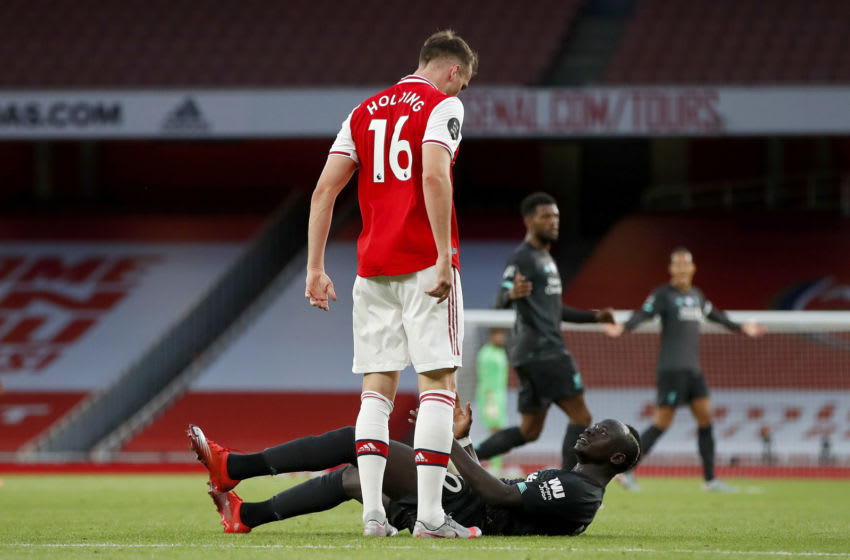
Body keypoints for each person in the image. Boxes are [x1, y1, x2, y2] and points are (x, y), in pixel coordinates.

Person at [303, 30, 478, 538]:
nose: (460, 92)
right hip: (425, 265)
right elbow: (434, 175)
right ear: (451, 71)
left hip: (371, 270)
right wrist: (445, 256)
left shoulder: (363, 111)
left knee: (375, 393)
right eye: (462, 83)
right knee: (439, 385)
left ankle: (373, 517)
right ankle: (428, 517)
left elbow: (323, 192)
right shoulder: (441, 106)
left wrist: (315, 267)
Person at [186, 405, 641, 537]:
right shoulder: (574, 482)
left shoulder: (580, 492)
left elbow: (500, 498)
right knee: (354, 478)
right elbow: (501, 492)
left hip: (464, 513)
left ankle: (233, 466)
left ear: (616, 458)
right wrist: (459, 442)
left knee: (360, 440)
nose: (589, 430)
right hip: (466, 504)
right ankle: (246, 517)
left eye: (603, 432)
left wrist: (440, 438)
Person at [604, 247, 766, 492]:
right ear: (671, 269)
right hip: (671, 369)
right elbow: (644, 314)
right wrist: (623, 327)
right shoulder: (663, 295)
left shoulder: (698, 296)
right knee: (661, 423)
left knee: (706, 420)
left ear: (692, 268)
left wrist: (743, 328)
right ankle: (626, 470)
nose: (681, 269)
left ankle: (710, 480)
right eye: (676, 265)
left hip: (693, 371)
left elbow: (718, 317)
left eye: (685, 264)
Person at [475, 192, 615, 470]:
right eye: (546, 216)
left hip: (529, 355)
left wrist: (595, 318)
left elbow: (555, 309)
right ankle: (568, 484)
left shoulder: (545, 259)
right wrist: (510, 293)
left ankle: (467, 456)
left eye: (556, 216)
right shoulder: (524, 257)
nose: (553, 222)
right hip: (546, 350)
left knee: (529, 430)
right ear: (529, 220)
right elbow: (501, 296)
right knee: (581, 417)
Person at [474, 328, 510, 474]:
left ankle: (495, 466)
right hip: (490, 397)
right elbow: (484, 376)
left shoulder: (501, 353)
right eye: (499, 334)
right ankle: (474, 455)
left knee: (497, 431)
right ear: (492, 335)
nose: (502, 338)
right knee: (495, 432)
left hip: (500, 396)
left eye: (504, 335)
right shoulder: (486, 353)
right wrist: (489, 400)